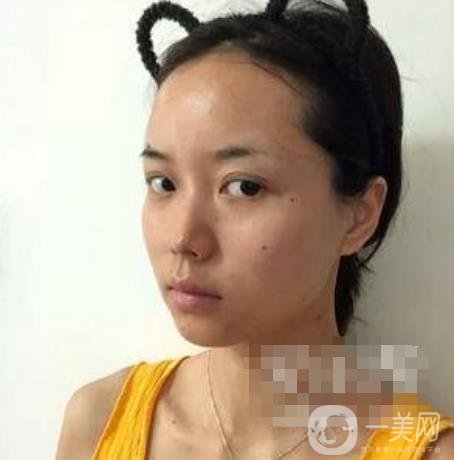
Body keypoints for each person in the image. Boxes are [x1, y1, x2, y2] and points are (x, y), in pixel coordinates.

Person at [56, 0, 454, 458]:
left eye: (244, 187)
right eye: (164, 183)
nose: (183, 239)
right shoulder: (100, 422)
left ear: (359, 215)